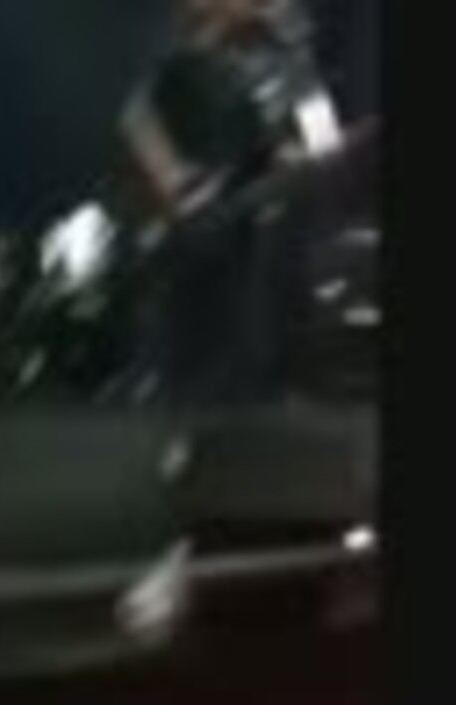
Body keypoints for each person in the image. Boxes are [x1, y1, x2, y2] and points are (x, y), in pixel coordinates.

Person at [119, 0, 331, 404]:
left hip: (254, 227)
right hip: (197, 230)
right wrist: (177, 187)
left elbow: (318, 131)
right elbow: (138, 120)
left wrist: (302, 150)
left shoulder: (280, 49)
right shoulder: (175, 56)